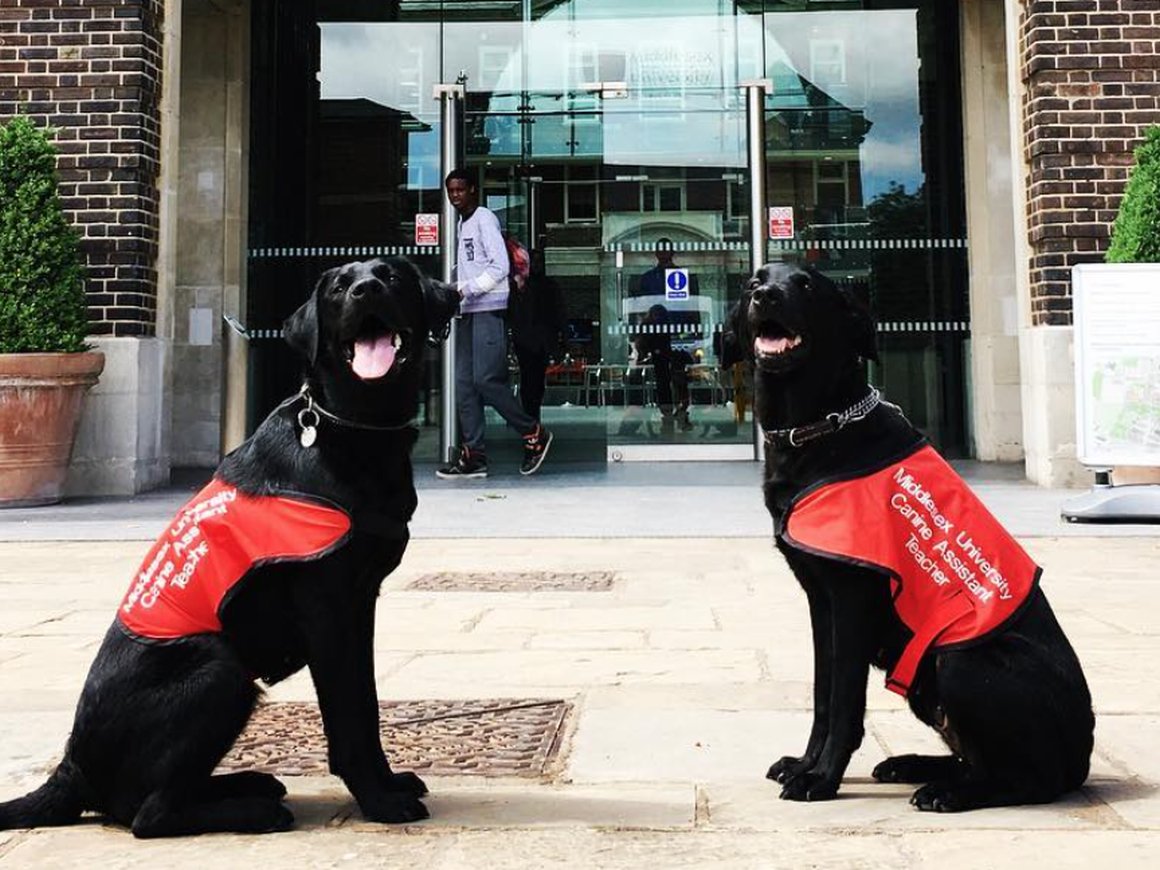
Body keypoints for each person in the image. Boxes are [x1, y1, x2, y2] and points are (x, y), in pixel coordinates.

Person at [436, 169, 553, 479]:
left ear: (473, 190)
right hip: (467, 311)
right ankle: (474, 455)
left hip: (489, 308)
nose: (455, 196)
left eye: (460, 190)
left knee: (487, 379)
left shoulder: (485, 218)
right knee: (463, 384)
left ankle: (534, 435)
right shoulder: (462, 224)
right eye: (451, 191)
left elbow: (500, 265)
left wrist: (465, 288)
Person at [629, 238, 699, 432]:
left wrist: (695, 331)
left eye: (665, 251)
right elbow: (642, 309)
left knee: (679, 375)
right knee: (663, 374)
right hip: (658, 334)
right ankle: (667, 410)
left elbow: (693, 308)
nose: (663, 254)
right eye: (660, 251)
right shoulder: (648, 278)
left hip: (677, 333)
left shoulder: (681, 276)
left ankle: (681, 409)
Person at [508, 246, 566, 421]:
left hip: (538, 341)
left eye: (540, 261)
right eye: (534, 262)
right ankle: (530, 416)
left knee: (535, 381)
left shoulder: (548, 286)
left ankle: (531, 416)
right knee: (530, 380)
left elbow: (559, 314)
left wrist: (561, 340)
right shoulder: (521, 287)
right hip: (527, 340)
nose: (537, 265)